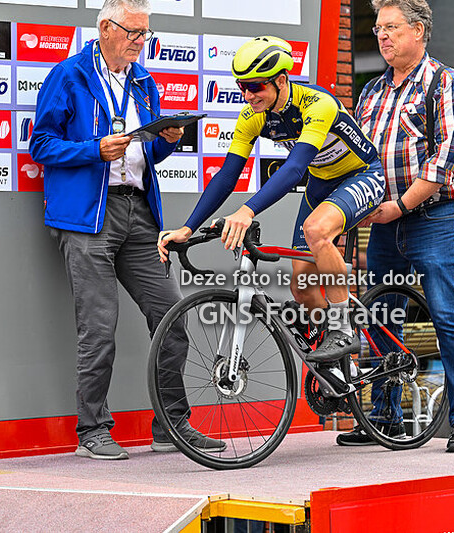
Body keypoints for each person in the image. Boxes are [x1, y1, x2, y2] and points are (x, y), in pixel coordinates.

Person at [30, 0, 224, 460]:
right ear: (105, 28)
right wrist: (94, 149)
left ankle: (171, 426)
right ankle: (92, 430)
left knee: (173, 317)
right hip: (87, 217)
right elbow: (40, 143)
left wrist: (168, 143)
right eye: (134, 32)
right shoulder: (70, 74)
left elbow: (144, 158)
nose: (141, 42)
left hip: (139, 212)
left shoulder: (144, 81)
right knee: (98, 328)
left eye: (145, 34)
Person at [158, 36, 386, 363]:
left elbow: (294, 169)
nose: (248, 95)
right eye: (242, 87)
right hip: (323, 183)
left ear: (281, 81)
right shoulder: (252, 115)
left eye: (256, 87)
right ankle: (338, 367)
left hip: (363, 175)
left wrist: (247, 211)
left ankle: (342, 329)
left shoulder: (317, 104)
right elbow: (226, 175)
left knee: (317, 230)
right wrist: (188, 228)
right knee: (303, 290)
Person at [336, 0, 454, 452]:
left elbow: (448, 159)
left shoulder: (446, 83)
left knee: (448, 316)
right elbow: (358, 158)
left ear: (418, 30)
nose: (381, 35)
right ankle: (385, 416)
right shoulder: (372, 92)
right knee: (380, 315)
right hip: (382, 218)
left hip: (434, 216)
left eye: (391, 27)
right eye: (378, 28)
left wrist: (400, 204)